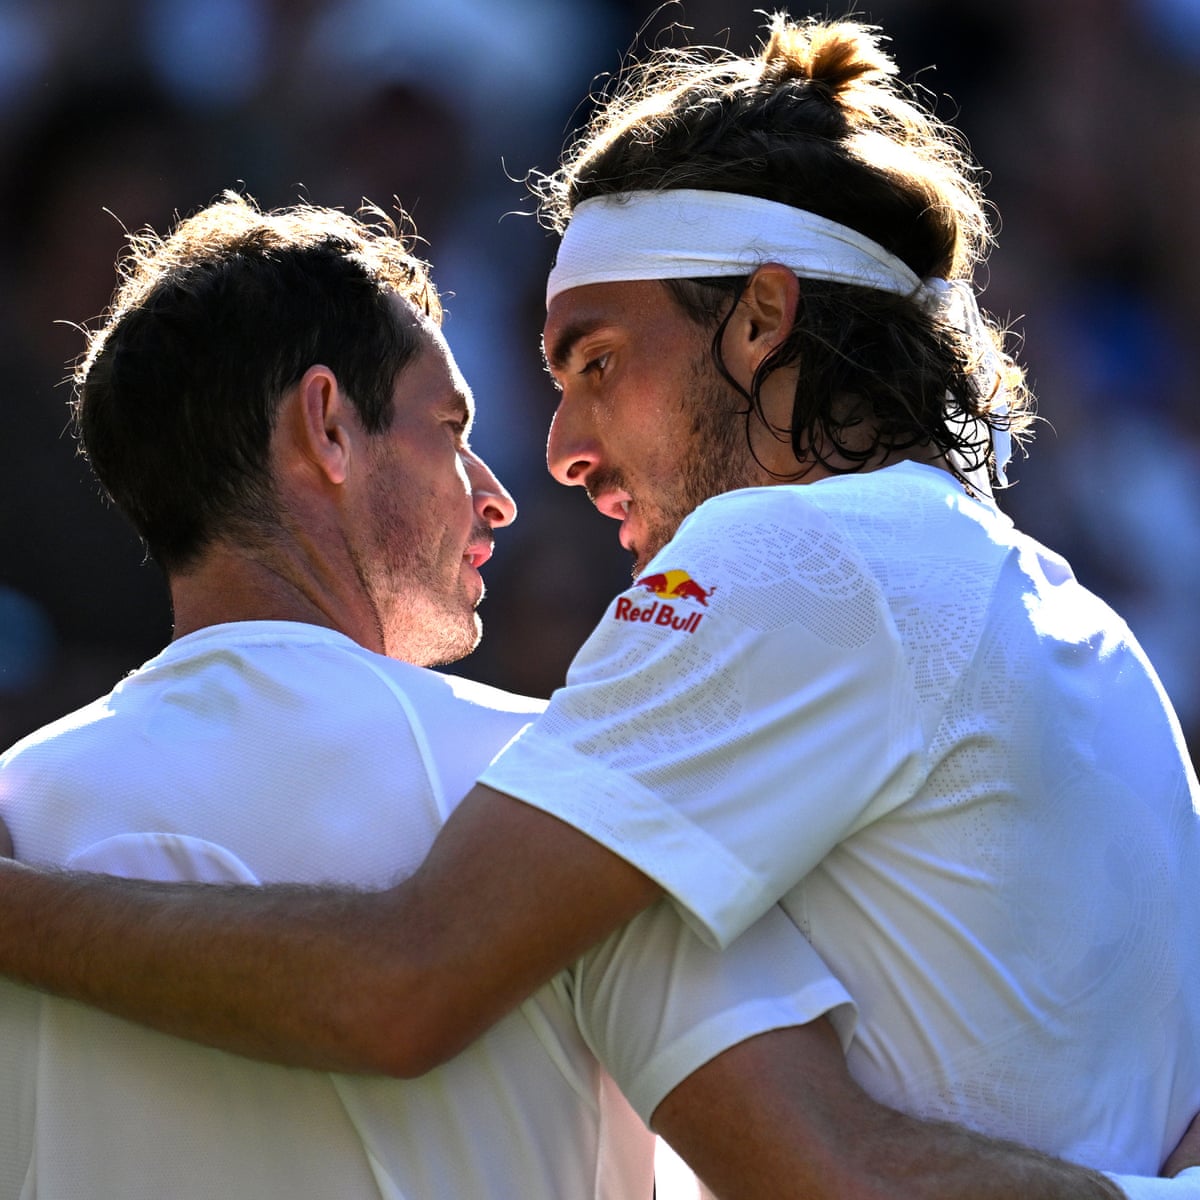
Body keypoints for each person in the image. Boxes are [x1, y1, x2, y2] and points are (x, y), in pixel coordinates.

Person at [0, 14, 1197, 1199]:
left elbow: (407, 979)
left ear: (764, 321)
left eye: (600, 362)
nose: (559, 455)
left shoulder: (785, 552)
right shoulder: (1082, 625)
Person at [0, 191, 863, 1199]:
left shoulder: (19, 807)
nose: (494, 490)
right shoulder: (567, 787)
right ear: (327, 427)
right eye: (450, 426)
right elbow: (815, 1171)